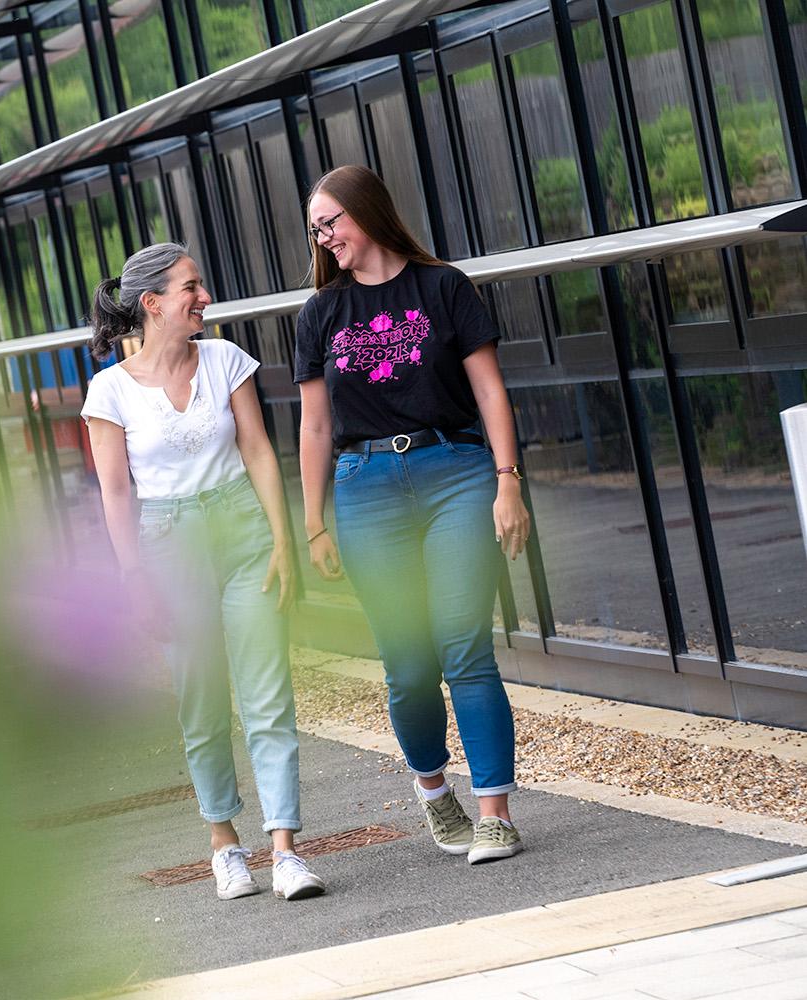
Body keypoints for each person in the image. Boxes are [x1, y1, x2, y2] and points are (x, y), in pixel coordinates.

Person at [293, 165, 531, 864]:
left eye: (330, 221)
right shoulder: (320, 313)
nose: (324, 237)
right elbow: (314, 426)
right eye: (315, 229)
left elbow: (489, 392)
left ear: (366, 211)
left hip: (454, 472)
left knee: (464, 645)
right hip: (364, 487)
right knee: (406, 660)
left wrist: (507, 481)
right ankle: (434, 792)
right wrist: (313, 522)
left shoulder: (443, 287)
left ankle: (495, 814)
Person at [81, 243, 324, 902]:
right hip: (169, 545)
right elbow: (115, 494)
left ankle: (285, 851)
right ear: (152, 303)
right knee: (203, 700)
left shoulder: (225, 359)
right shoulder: (109, 392)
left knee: (267, 694)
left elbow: (258, 450)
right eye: (191, 287)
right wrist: (133, 579)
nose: (205, 298)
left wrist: (282, 540)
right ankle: (225, 844)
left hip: (243, 532)